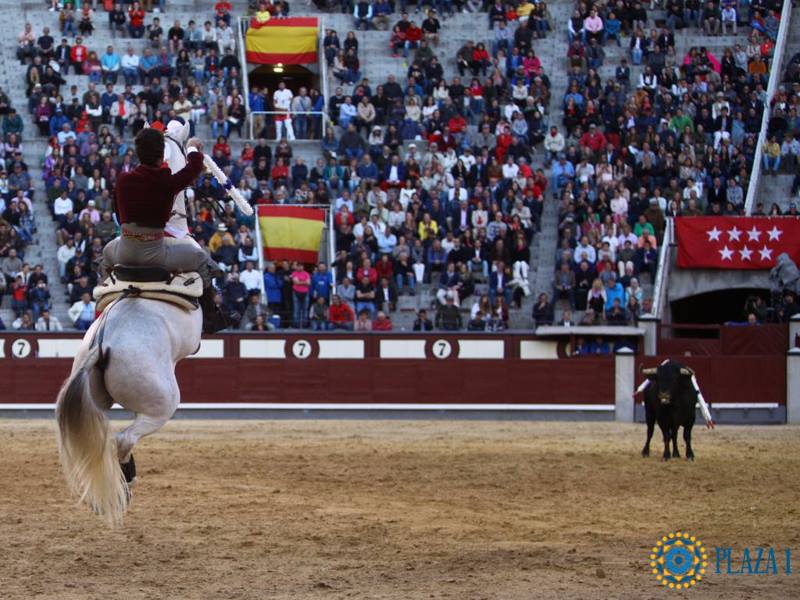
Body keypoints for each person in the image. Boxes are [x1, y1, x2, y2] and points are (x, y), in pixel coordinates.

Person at [100, 127, 227, 333]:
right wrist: (193, 149)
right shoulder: (166, 181)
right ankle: (212, 317)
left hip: (122, 250)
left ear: (138, 153)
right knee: (201, 259)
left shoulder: (123, 180)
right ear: (162, 155)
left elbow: (118, 212)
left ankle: (105, 301)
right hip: (155, 253)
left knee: (104, 255)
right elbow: (193, 169)